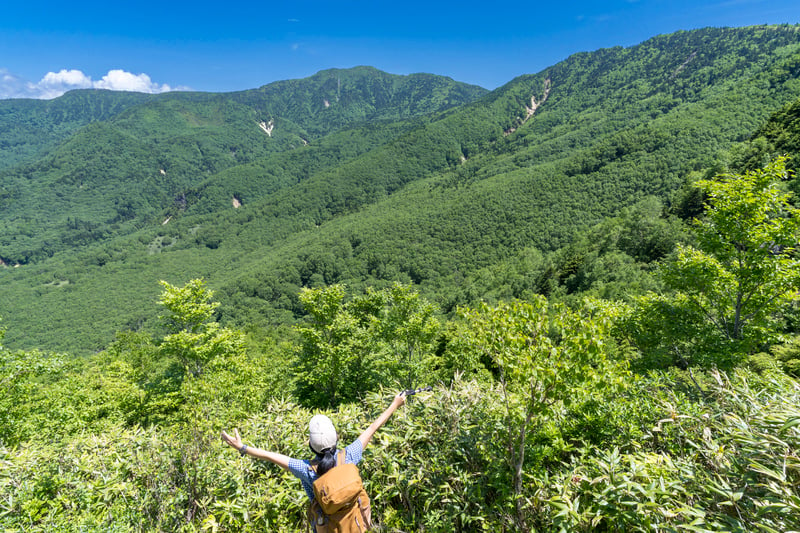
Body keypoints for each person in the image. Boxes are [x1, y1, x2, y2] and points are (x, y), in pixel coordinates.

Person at [221, 391, 407, 513]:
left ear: (311, 445)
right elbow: (373, 427)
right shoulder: (349, 455)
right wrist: (395, 403)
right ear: (336, 438)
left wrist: (242, 448)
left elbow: (270, 456)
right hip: (354, 525)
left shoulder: (305, 469)